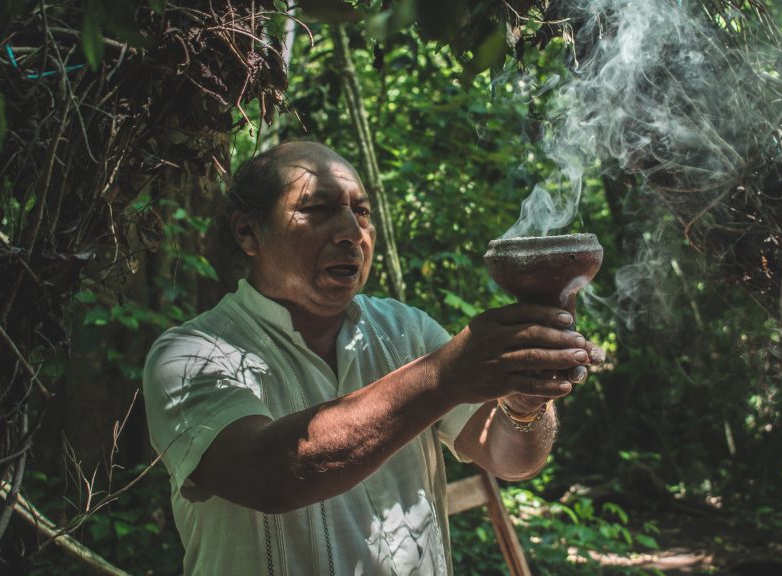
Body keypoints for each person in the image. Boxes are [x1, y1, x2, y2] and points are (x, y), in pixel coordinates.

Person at [143, 141, 604, 575]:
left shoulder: (406, 329)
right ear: (248, 232)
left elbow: (510, 460)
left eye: (361, 212)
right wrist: (444, 377)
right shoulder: (191, 355)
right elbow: (269, 475)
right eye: (317, 210)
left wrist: (524, 404)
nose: (350, 233)